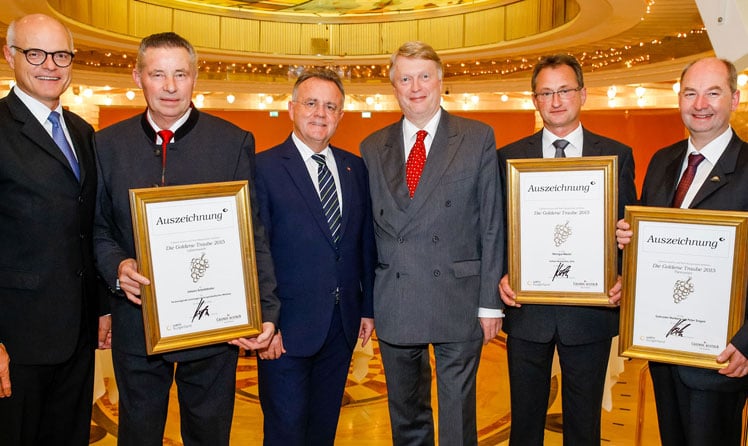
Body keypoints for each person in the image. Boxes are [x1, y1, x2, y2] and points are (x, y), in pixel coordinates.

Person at [93, 32, 280, 446]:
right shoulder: (107, 145)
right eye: (158, 74)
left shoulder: (232, 142)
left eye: (181, 74)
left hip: (214, 329)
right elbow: (99, 229)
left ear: (196, 77)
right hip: (136, 323)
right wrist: (117, 266)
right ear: (138, 76)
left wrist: (264, 309)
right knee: (138, 435)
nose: (170, 86)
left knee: (210, 435)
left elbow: (252, 233)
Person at [360, 41, 504, 445]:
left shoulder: (476, 137)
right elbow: (366, 235)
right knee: (406, 416)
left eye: (424, 76)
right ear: (394, 87)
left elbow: (492, 223)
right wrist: (365, 305)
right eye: (405, 78)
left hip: (457, 296)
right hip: (396, 298)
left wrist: (490, 302)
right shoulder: (372, 147)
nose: (416, 86)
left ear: (441, 81)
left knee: (458, 418)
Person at [497, 54, 636, 446]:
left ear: (583, 94)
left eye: (564, 90)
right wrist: (500, 275)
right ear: (534, 100)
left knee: (583, 424)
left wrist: (624, 273)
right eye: (546, 93)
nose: (556, 101)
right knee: (524, 424)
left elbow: (628, 230)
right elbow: (497, 229)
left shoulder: (616, 155)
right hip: (527, 311)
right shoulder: (508, 158)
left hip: (589, 313)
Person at [616, 57, 748, 446]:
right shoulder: (662, 162)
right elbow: (648, 243)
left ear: (735, 99)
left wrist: (747, 343)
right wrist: (629, 239)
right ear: (679, 99)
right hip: (664, 347)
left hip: (722, 356)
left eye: (713, 93)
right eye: (690, 93)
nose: (700, 104)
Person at [0, 13, 111, 445]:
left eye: (61, 54)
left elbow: (90, 225)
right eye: (36, 53)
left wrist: (101, 305)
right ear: (10, 56)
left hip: (77, 338)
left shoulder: (83, 133)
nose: (51, 64)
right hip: (16, 343)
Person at [253, 68, 376, 445]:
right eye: (311, 103)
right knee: (284, 432)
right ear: (291, 108)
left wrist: (367, 308)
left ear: (340, 115)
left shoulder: (355, 169)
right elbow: (255, 251)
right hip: (283, 332)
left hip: (340, 328)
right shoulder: (263, 167)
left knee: (323, 430)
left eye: (330, 106)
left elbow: (364, 244)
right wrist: (264, 320)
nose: (320, 114)